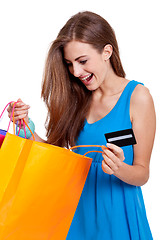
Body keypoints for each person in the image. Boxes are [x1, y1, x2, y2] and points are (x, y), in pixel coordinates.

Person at [8, 11, 156, 240]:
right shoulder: (77, 97)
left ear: (107, 52)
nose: (76, 72)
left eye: (83, 61)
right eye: (69, 64)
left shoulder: (138, 97)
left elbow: (142, 173)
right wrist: (25, 125)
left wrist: (119, 168)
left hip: (118, 218)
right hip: (75, 216)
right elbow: (59, 156)